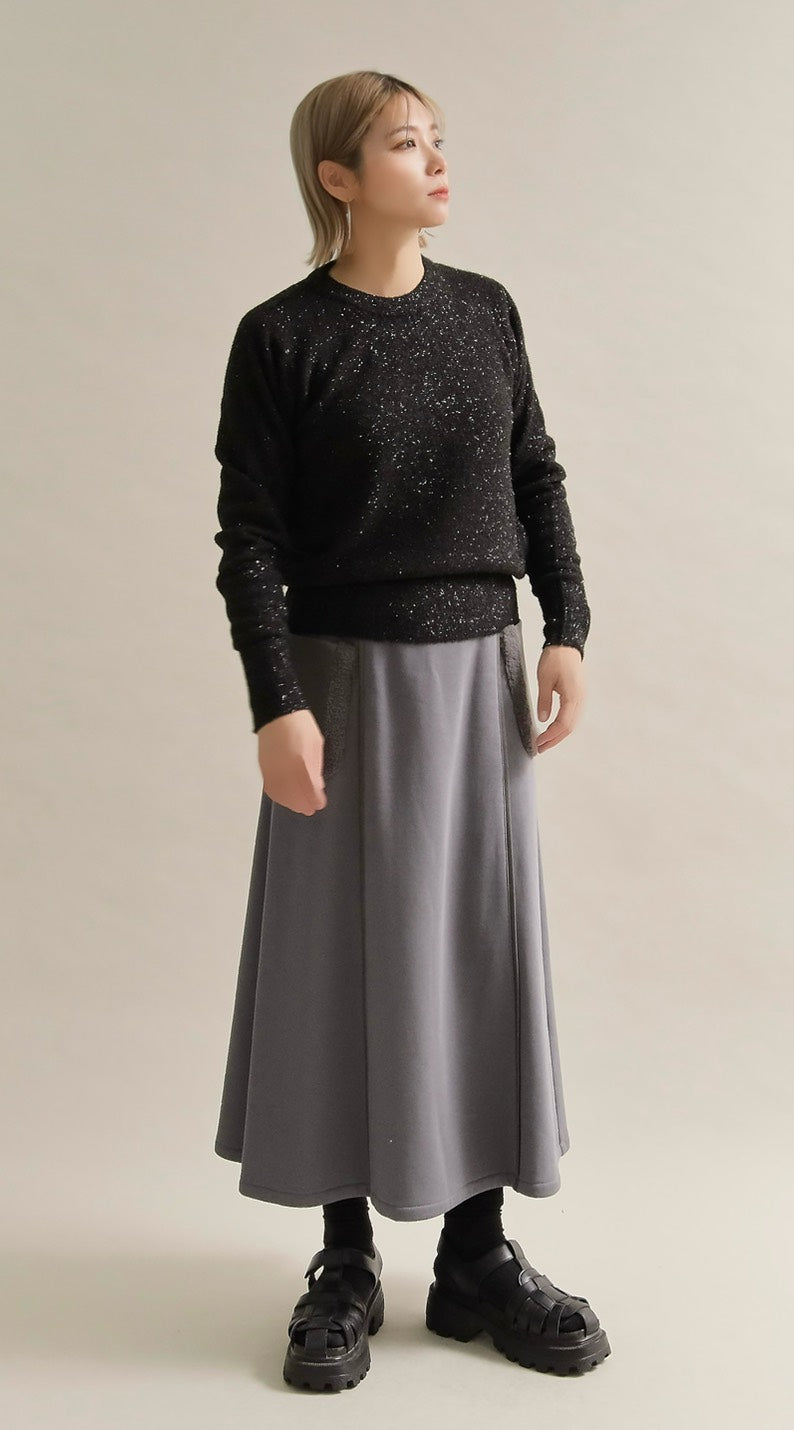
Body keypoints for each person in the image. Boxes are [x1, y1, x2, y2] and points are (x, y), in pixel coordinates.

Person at [209, 69, 611, 1390]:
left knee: (474, 952)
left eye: (438, 138)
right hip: (341, 681)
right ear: (337, 177)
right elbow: (252, 537)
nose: (435, 159)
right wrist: (276, 698)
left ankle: (476, 1255)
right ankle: (345, 1261)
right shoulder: (282, 338)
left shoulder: (485, 312)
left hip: (480, 674)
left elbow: (535, 471)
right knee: (342, 959)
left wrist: (566, 626)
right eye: (403, 142)